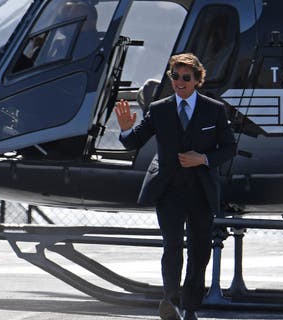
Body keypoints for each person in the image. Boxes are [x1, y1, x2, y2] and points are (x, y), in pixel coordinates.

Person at [115, 53, 236, 320]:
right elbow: (133, 141)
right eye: (175, 76)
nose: (179, 82)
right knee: (172, 247)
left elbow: (229, 148)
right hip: (169, 190)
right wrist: (124, 130)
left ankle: (190, 307)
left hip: (201, 191)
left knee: (200, 249)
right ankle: (171, 301)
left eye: (185, 77)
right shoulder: (159, 109)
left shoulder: (213, 110)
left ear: (196, 80)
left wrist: (202, 159)